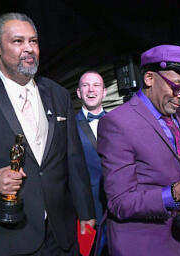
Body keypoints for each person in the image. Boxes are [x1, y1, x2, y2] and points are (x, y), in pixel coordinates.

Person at [0, 12, 96, 256]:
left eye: (33, 41)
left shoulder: (58, 94)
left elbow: (73, 159)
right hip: (7, 237)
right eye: (18, 41)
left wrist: (86, 213)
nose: (29, 49)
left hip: (62, 236)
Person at [97, 44, 180, 256]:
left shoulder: (177, 115)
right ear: (149, 78)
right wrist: (176, 193)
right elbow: (119, 202)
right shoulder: (116, 124)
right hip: (143, 246)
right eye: (177, 86)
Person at [76, 71, 107, 255]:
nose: (91, 90)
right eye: (85, 85)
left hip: (118, 205)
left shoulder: (120, 121)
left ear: (104, 92)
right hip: (89, 207)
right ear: (79, 92)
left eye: (96, 85)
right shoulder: (69, 127)